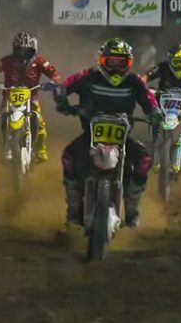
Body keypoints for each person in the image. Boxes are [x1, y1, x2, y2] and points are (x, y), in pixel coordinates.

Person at [54, 37, 162, 228]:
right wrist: (62, 101)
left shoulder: (135, 81)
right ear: (102, 60)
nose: (116, 68)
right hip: (91, 135)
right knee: (69, 158)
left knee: (144, 161)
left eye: (121, 63)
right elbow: (64, 86)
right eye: (111, 62)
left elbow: (149, 100)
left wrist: (155, 113)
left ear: (129, 63)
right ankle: (73, 211)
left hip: (122, 137)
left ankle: (132, 211)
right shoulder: (89, 76)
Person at [0, 31, 61, 161]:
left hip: (31, 97)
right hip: (9, 97)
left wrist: (52, 83)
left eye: (27, 51)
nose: (23, 54)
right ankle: (1, 148)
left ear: (33, 50)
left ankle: (40, 148)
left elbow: (55, 74)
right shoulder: (7, 61)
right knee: (0, 121)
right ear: (14, 49)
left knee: (40, 123)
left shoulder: (40, 62)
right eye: (20, 50)